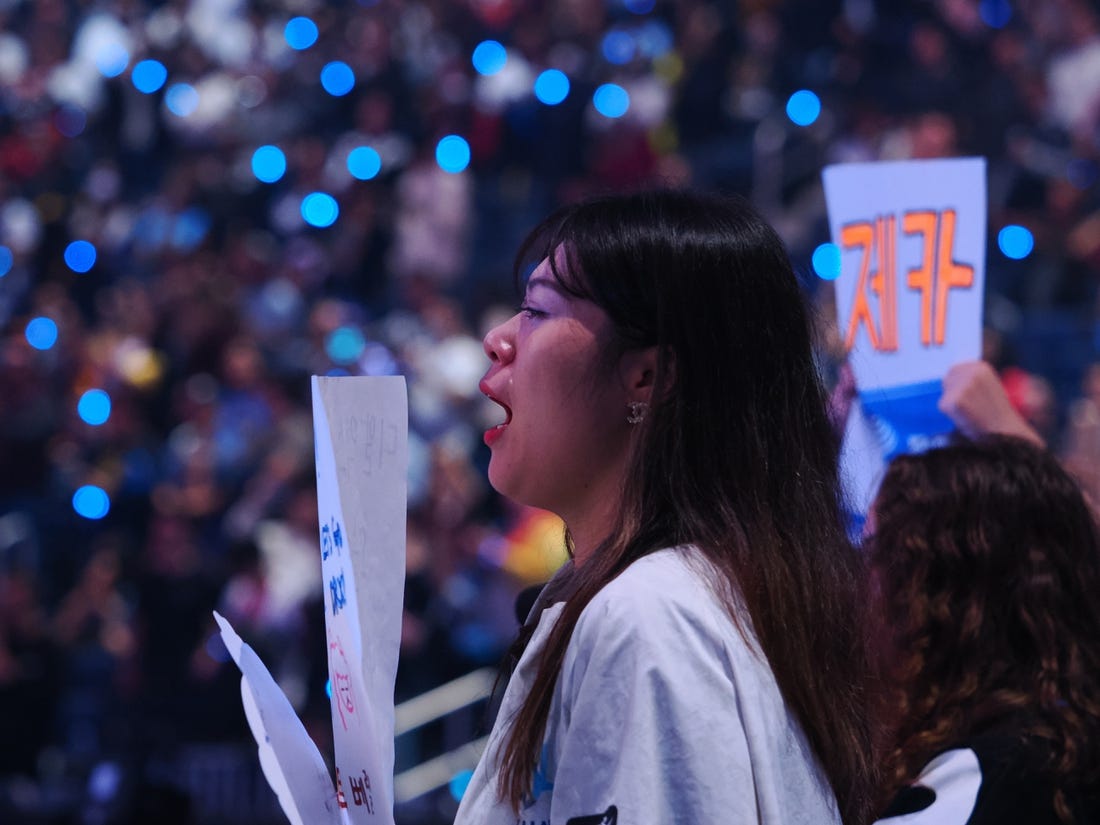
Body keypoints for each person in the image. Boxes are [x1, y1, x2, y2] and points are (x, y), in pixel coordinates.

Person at [454, 190, 880, 825]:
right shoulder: (696, 592)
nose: (497, 339)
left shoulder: (650, 614)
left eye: (536, 311)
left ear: (648, 379)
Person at [868, 436, 1100, 824]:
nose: (856, 579)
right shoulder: (1067, 748)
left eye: (872, 549)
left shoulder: (974, 780)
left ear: (929, 597)